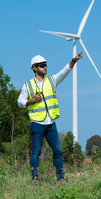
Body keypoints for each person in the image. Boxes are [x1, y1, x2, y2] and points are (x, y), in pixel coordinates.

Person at [17, 51, 83, 183]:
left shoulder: (52, 80)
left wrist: (74, 61)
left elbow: (65, 71)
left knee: (58, 151)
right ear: (34, 68)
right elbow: (20, 102)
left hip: (51, 122)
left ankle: (61, 178)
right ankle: (35, 178)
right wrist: (32, 100)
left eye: (45, 65)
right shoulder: (27, 85)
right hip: (37, 123)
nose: (45, 67)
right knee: (36, 152)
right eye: (42, 65)